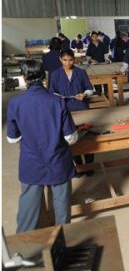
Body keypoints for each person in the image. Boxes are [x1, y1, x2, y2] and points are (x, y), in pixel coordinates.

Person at [7, 60, 78, 233]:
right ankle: (62, 240)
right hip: (57, 160)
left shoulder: (15, 103)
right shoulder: (57, 101)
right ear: (44, 77)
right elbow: (70, 137)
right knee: (61, 207)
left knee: (28, 210)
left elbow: (12, 139)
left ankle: (22, 245)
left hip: (31, 162)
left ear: (24, 78)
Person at [48, 49, 95, 177]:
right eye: (65, 60)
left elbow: (90, 88)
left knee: (87, 135)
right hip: (65, 108)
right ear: (60, 60)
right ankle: (78, 165)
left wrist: (84, 94)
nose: (68, 63)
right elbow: (51, 92)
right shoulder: (55, 74)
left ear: (74, 59)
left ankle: (89, 165)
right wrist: (59, 97)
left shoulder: (80, 72)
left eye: (70, 60)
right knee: (70, 137)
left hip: (81, 106)